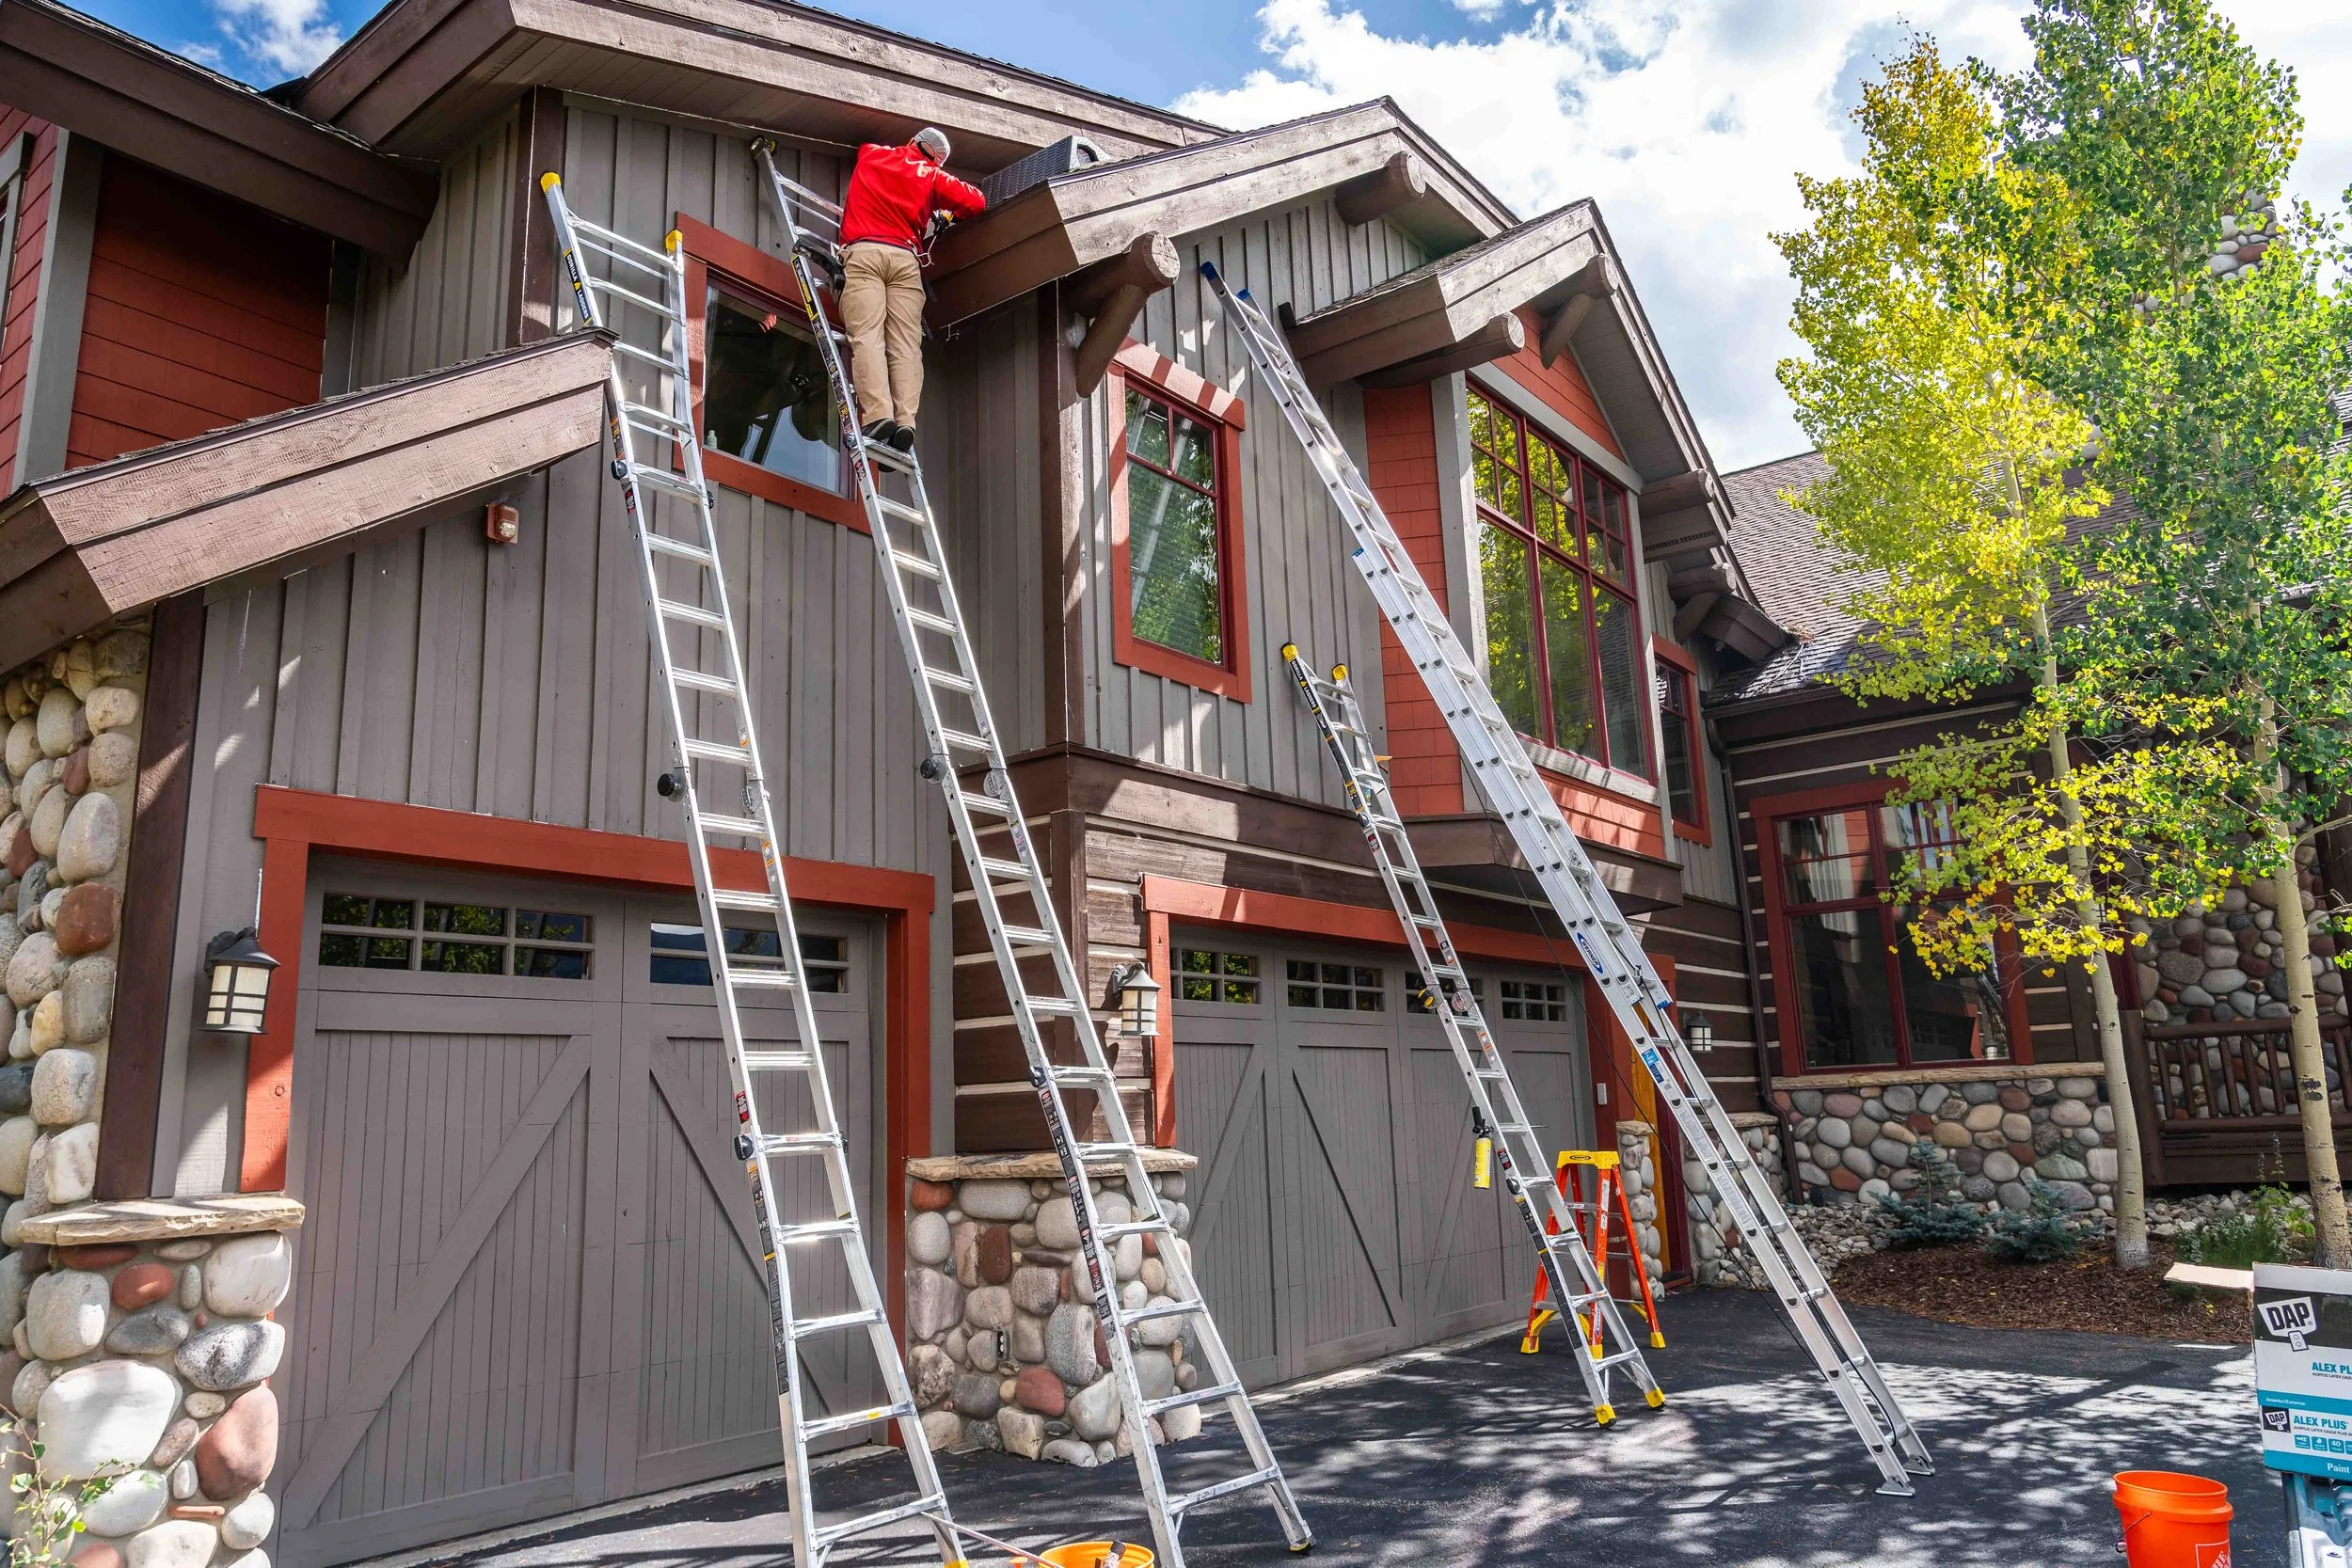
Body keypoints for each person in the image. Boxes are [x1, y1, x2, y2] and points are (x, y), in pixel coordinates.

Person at [836, 126, 986, 452]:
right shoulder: (932, 177)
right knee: (906, 346)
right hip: (905, 261)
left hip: (864, 254)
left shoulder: (872, 153)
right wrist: (942, 200)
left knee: (868, 335)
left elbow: (865, 147)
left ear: (913, 142)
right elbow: (976, 201)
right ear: (937, 160)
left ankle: (878, 416)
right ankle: (905, 422)